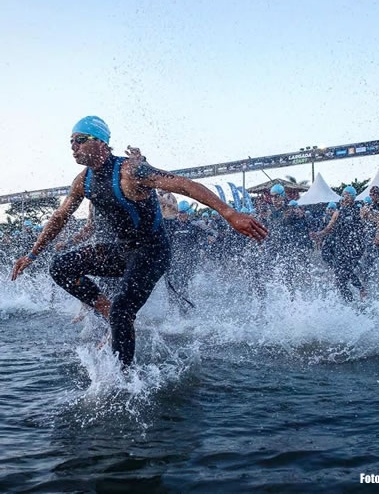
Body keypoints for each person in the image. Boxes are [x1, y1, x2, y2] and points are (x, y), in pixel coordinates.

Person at [12, 116, 268, 367]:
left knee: (122, 311)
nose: (73, 147)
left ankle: (122, 379)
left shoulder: (131, 171)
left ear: (101, 142)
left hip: (152, 252)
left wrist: (229, 213)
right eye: (71, 142)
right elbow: (60, 216)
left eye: (80, 140)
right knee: (60, 266)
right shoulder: (83, 181)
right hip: (122, 250)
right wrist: (32, 255)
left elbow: (185, 185)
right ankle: (105, 309)